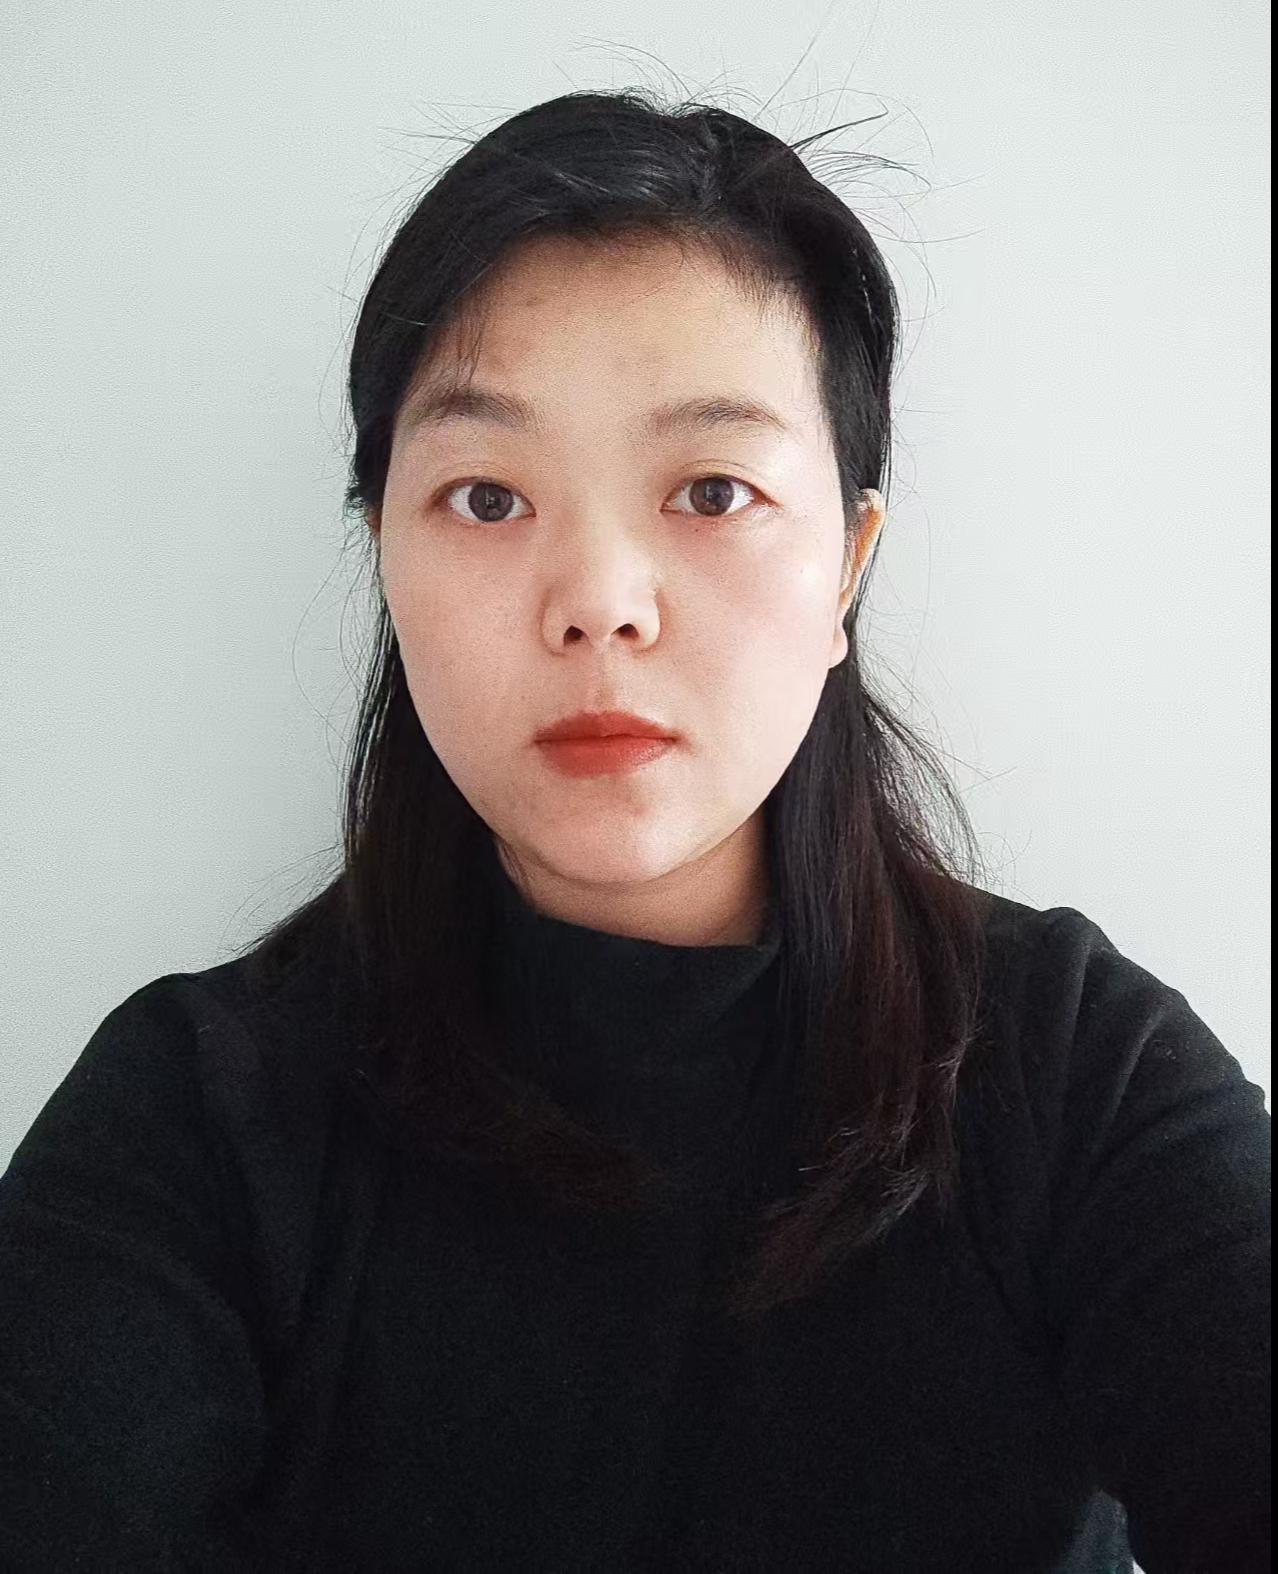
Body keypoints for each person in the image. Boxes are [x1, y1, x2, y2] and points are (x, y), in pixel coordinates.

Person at [0, 88, 1269, 1572]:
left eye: (713, 490)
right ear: (383, 553)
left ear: (847, 565)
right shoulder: (196, 1120)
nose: (599, 600)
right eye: (486, 496)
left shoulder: (1077, 1073)